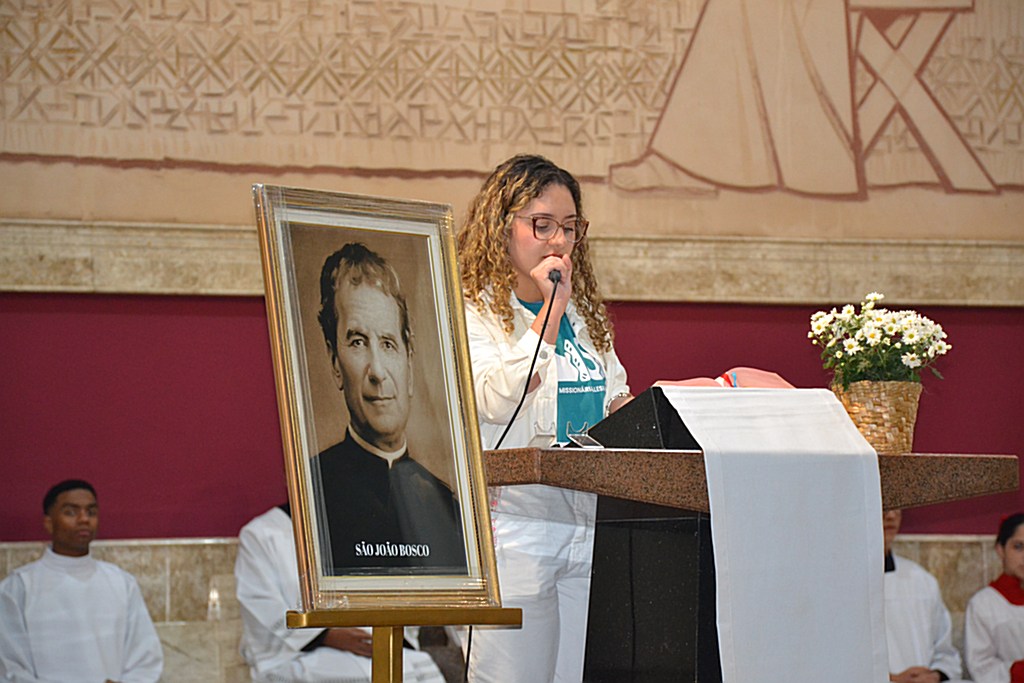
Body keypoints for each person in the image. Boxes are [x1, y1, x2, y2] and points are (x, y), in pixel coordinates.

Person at [456, 154, 632, 682]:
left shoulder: (585, 315)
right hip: (514, 532)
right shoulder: (472, 312)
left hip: (587, 524)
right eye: (543, 224)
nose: (559, 241)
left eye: (570, 227)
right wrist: (549, 314)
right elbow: (496, 400)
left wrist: (642, 413)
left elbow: (613, 395)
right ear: (501, 227)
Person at [312, 242, 466, 576]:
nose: (378, 372)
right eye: (357, 342)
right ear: (334, 360)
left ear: (408, 359)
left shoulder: (449, 507)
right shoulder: (311, 494)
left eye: (388, 344)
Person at [234, 504, 447, 683]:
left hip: (371, 643)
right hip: (301, 653)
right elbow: (259, 602)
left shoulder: (362, 525)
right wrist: (326, 635)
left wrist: (378, 636)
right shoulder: (261, 533)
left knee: (420, 668)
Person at [0, 479, 164, 682]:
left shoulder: (122, 583)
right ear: (49, 522)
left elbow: (145, 660)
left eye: (91, 512)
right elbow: (9, 667)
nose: (84, 519)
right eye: (71, 512)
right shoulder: (18, 588)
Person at [881, 509, 964, 682]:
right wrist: (893, 678)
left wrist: (934, 675)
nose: (891, 516)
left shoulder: (920, 580)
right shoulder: (841, 584)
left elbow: (945, 653)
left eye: (896, 507)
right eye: (884, 505)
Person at [964, 512, 1024, 683]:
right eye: (1018, 547)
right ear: (1000, 549)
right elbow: (981, 667)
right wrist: (1018, 672)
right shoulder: (983, 604)